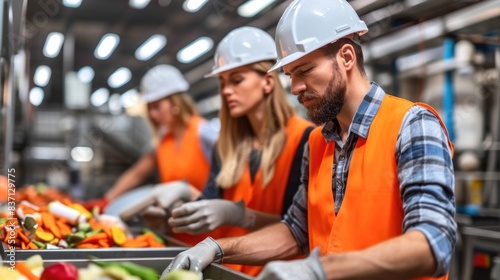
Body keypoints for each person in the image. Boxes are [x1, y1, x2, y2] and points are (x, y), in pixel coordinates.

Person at [161, 0, 457, 279]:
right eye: (290, 74)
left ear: (346, 57)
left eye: (304, 70)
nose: (295, 87)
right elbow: (295, 231)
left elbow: (433, 243)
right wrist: (218, 247)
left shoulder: (412, 124)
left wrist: (320, 270)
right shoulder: (318, 143)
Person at [147, 26, 313, 276]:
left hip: (278, 272)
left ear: (268, 82)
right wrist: (173, 216)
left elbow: (300, 226)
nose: (226, 91)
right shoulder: (226, 147)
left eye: (237, 80)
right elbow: (209, 202)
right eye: (223, 83)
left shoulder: (305, 139)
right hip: (229, 269)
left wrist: (240, 215)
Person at [84, 64, 218, 245]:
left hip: (210, 236)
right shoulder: (163, 141)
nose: (153, 114)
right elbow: (136, 173)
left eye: (157, 106)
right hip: (177, 234)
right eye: (150, 108)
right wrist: (106, 199)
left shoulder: (205, 134)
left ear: (175, 102)